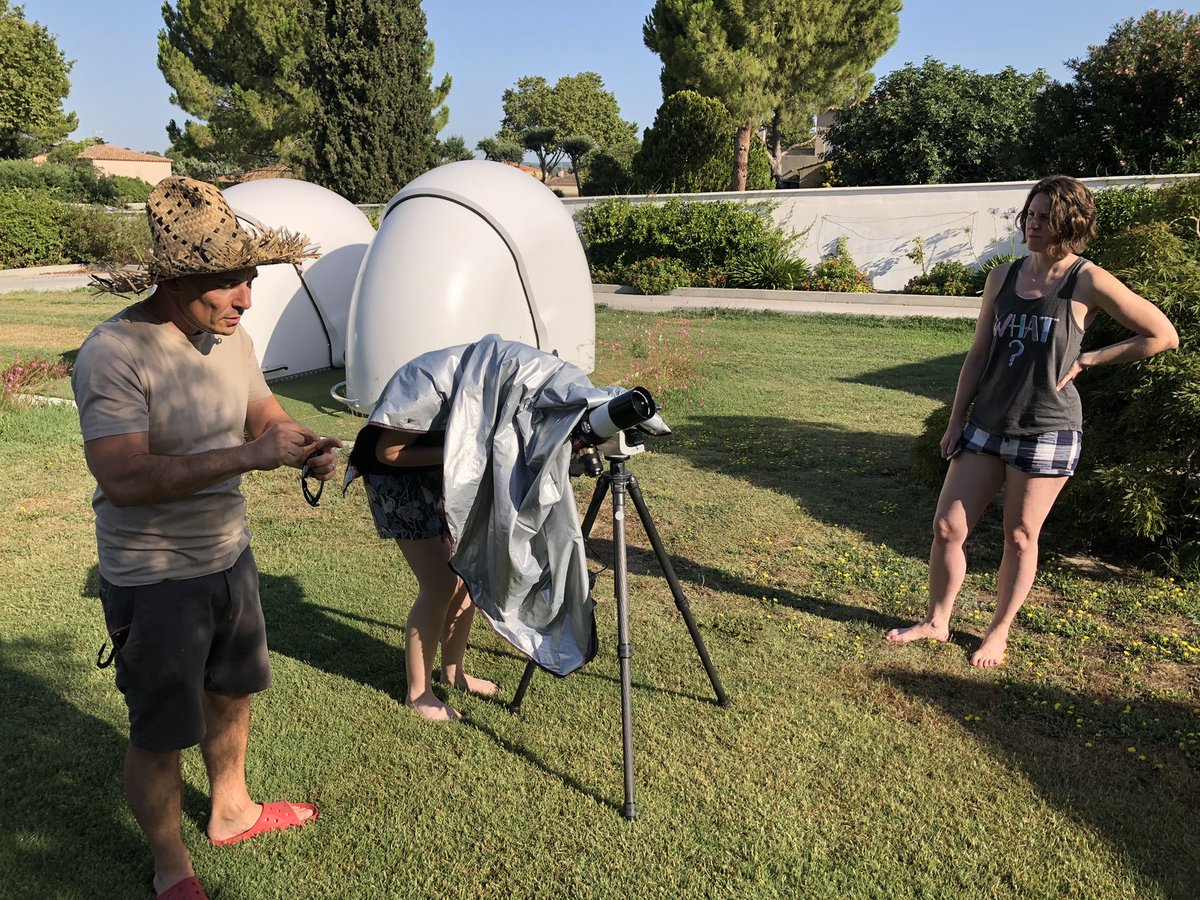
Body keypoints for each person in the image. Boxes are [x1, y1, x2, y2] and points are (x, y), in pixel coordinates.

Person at [72, 176, 343, 900]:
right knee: (161, 732)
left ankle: (231, 811)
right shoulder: (115, 353)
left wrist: (297, 440)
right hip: (154, 577)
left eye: (248, 278)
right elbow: (125, 477)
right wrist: (252, 457)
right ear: (175, 280)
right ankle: (171, 871)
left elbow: (260, 411)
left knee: (232, 691)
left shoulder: (232, 336)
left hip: (230, 555)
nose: (246, 298)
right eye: (227, 283)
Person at [886, 175, 1178, 667]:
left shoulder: (1086, 279)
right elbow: (979, 353)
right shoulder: (1002, 276)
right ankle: (938, 621)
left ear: (1071, 222)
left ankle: (997, 631)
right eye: (1030, 214)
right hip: (988, 423)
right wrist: (957, 418)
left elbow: (1162, 334)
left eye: (1045, 216)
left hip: (1048, 429)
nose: (1033, 224)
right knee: (946, 527)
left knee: (1020, 536)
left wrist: (1091, 360)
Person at [348, 423, 498, 722]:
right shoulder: (426, 382)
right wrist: (464, 453)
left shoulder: (481, 378)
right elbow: (388, 452)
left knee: (464, 575)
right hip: (397, 481)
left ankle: (453, 673)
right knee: (440, 583)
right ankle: (418, 695)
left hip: (440, 474)